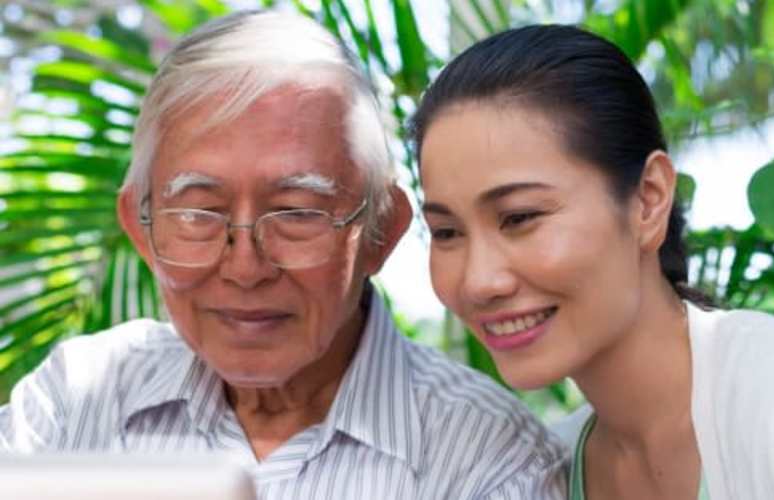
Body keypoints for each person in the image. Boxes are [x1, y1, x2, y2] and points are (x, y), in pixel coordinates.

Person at [0, 11, 568, 499]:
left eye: (297, 212)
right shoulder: (74, 400)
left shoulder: (489, 461)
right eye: (199, 212)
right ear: (141, 229)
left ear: (381, 230)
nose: (246, 268)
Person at [411, 24, 774, 500]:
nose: (479, 281)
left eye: (520, 217)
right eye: (446, 232)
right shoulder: (538, 472)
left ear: (648, 200)